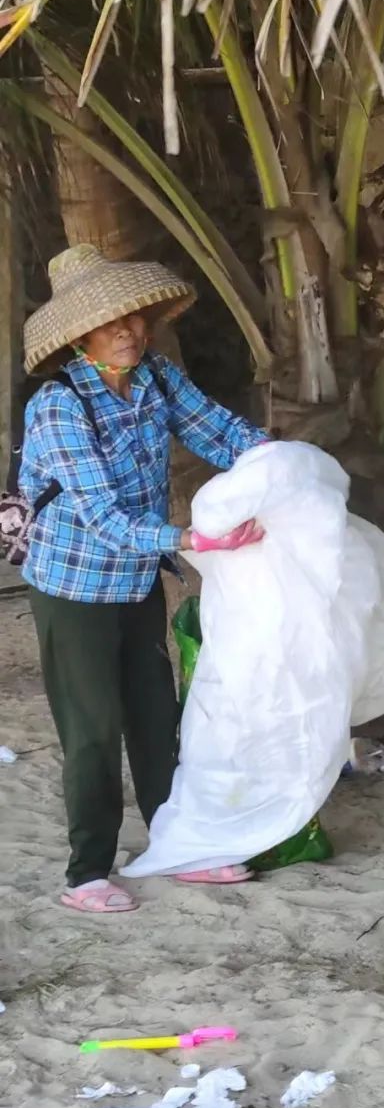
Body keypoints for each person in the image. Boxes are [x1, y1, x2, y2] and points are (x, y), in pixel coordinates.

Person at [19, 243, 267, 913]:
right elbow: (99, 514)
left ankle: (176, 845)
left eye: (134, 317)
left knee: (157, 716)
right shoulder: (58, 405)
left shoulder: (156, 377)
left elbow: (214, 430)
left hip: (135, 581)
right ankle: (87, 872)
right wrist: (187, 537)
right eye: (111, 322)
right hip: (75, 586)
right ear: (80, 335)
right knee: (94, 726)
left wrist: (277, 459)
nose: (129, 330)